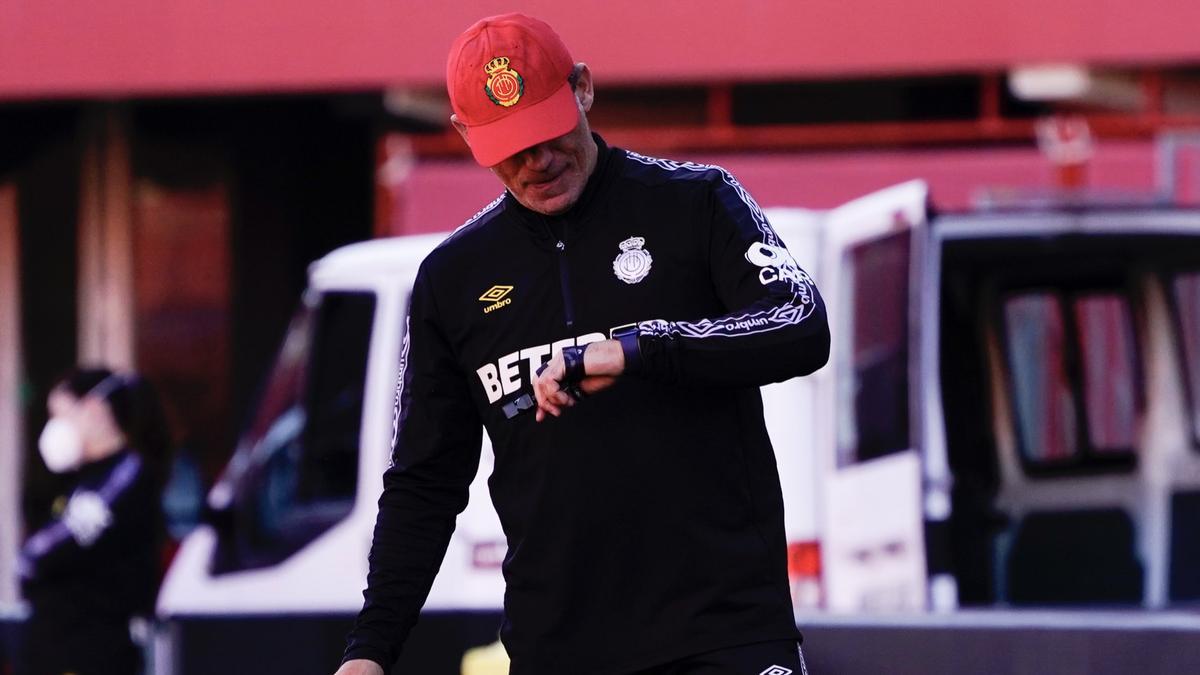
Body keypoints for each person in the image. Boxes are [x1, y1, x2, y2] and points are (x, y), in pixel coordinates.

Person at [339, 13, 828, 675]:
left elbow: (800, 321)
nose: (536, 160)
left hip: (726, 632)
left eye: (546, 131)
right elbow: (423, 483)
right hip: (560, 651)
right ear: (463, 137)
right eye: (507, 146)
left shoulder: (698, 201)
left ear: (584, 90)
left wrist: (641, 346)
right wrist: (370, 650)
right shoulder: (450, 279)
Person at [17, 368, 169, 675]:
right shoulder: (75, 482)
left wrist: (30, 561)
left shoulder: (126, 474)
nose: (55, 428)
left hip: (93, 653)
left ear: (94, 409)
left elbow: (48, 551)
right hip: (57, 650)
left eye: (60, 415)